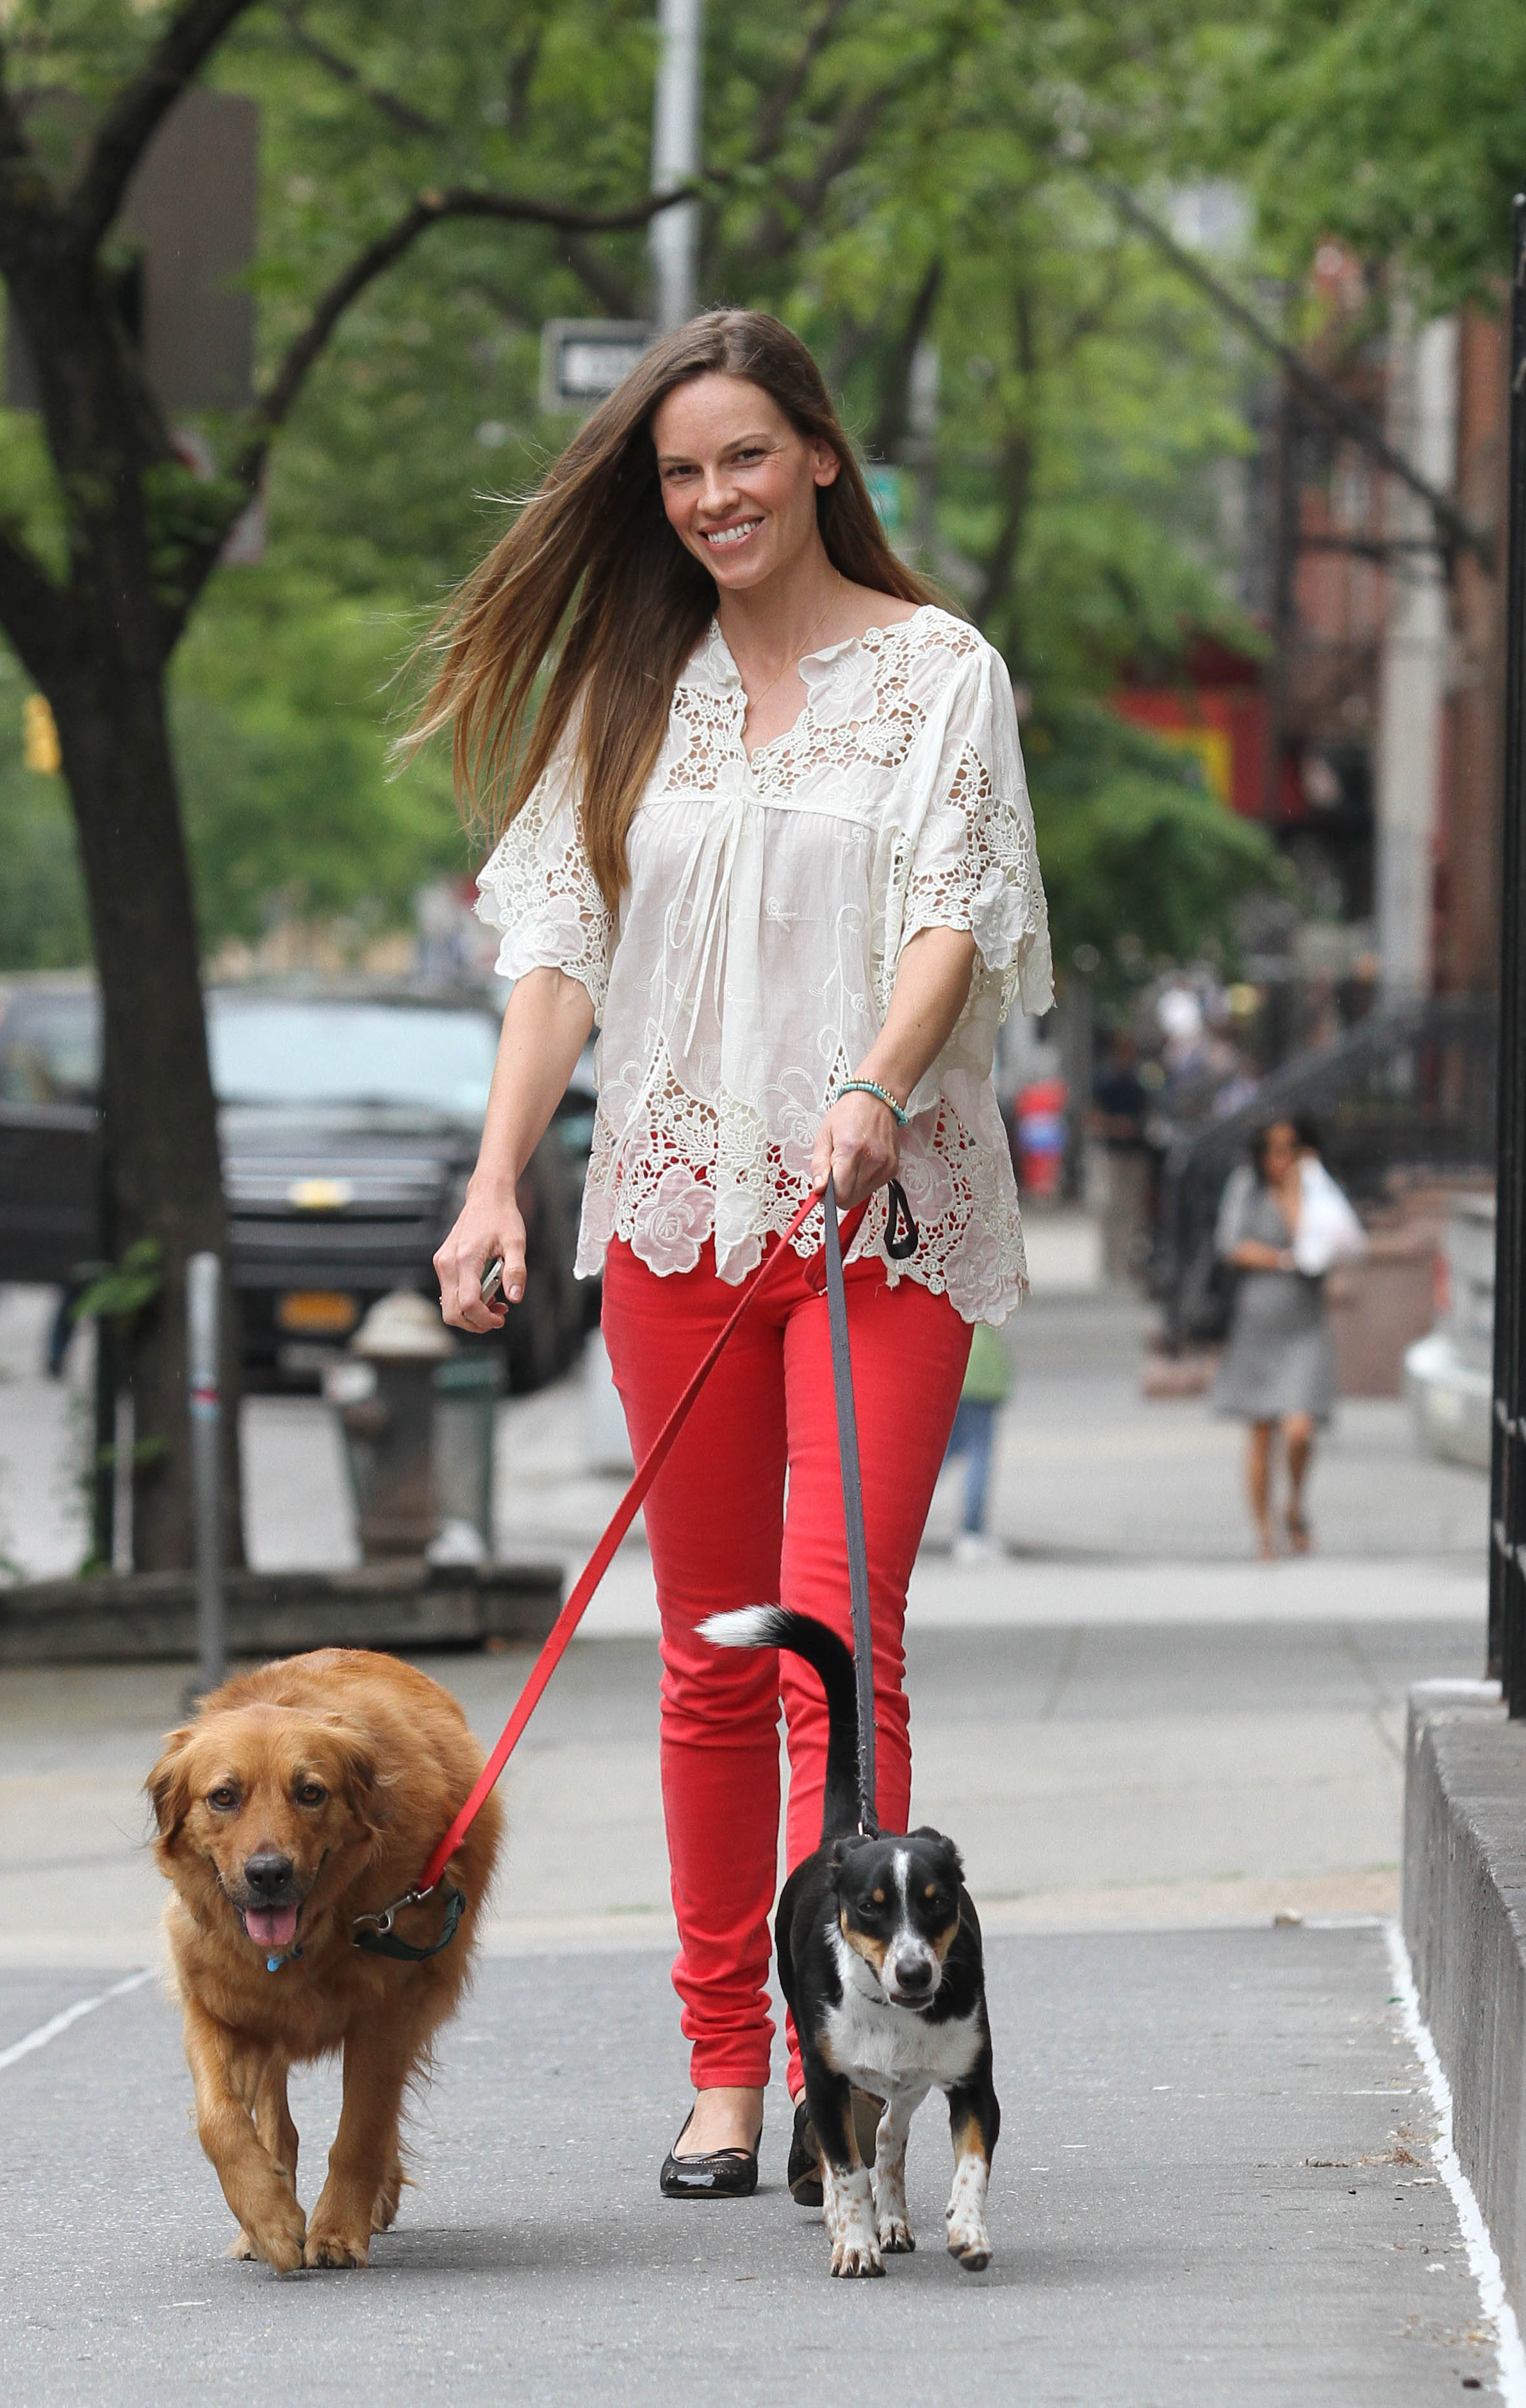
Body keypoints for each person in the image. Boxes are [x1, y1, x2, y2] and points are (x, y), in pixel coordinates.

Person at [413, 310, 1051, 2198]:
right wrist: (494, 1180)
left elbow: (954, 909)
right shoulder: (631, 691)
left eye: (744, 458)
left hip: (879, 1222)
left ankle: (845, 2062)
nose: (713, 498)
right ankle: (719, 2065)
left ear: (821, 457)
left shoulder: (936, 672)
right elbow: (558, 954)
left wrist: (872, 1082)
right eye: (681, 472)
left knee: (828, 1651)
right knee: (705, 1656)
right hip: (679, 1212)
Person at [1210, 1116, 1345, 1558]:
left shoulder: (1316, 1189)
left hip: (1305, 1323)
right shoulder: (1246, 1186)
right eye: (1272, 1149)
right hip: (1257, 1322)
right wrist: (1284, 1260)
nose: (1279, 1159)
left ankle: (1295, 1505)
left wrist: (1295, 1193)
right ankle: (1264, 1529)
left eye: (1290, 1149)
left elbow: (1321, 1244)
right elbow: (1233, 1244)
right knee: (1261, 1431)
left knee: (1301, 1429)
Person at [946, 1322, 1014, 1563]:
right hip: (980, 1375)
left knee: (940, 1455)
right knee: (978, 1453)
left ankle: (896, 1514)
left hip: (949, 1364)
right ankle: (972, 1531)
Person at [1089, 1028, 1151, 1283]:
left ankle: (1126, 1263)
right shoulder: (1106, 1084)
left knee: (1132, 1212)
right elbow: (1093, 1116)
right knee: (1111, 1210)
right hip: (1112, 1154)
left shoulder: (1138, 1086)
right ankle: (1110, 1263)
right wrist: (1116, 1126)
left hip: (1134, 1154)